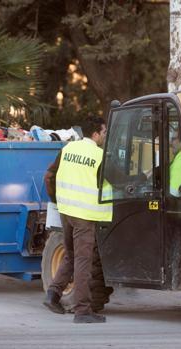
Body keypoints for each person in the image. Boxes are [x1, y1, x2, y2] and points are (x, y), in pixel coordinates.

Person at [42, 116, 112, 324]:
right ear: (95, 134)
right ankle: (82, 311)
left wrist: (57, 200)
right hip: (84, 217)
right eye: (104, 132)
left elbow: (49, 177)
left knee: (71, 257)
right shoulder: (99, 156)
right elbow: (112, 181)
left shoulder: (67, 150)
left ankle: (53, 294)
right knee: (83, 261)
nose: (105, 135)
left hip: (66, 212)